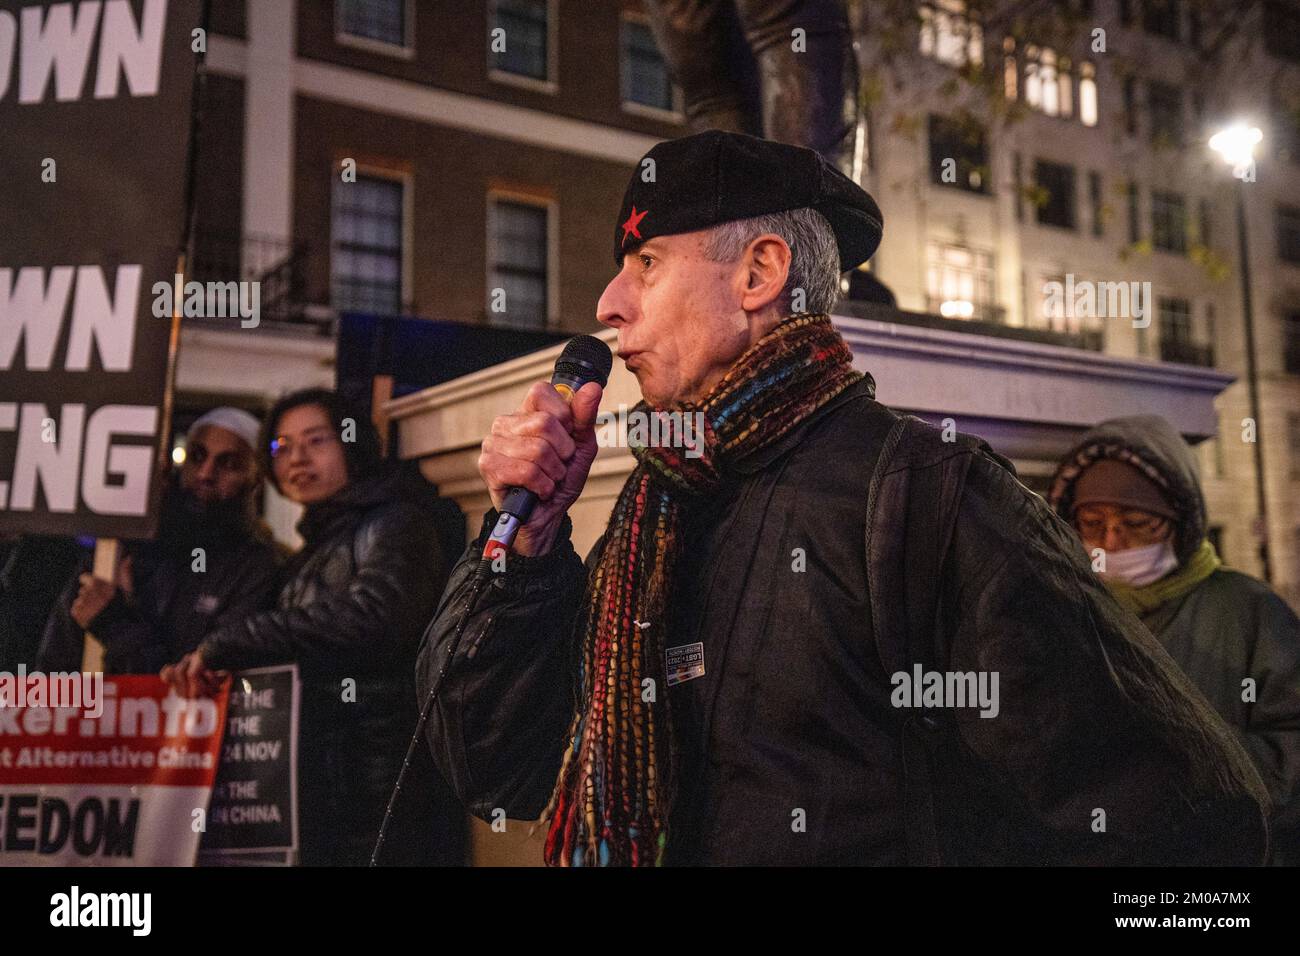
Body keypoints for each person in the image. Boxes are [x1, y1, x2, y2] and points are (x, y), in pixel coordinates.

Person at [418, 129, 1270, 866]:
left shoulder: (926, 496)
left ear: (760, 272)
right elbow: (500, 767)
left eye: (647, 262)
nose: (608, 304)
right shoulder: (658, 507)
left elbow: (1187, 828)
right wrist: (521, 547)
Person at [162, 389, 467, 867]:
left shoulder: (395, 521)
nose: (297, 459)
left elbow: (378, 617)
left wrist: (232, 641)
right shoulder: (317, 545)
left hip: (384, 790)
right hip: (333, 789)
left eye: (316, 441)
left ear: (353, 444)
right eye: (282, 447)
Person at [1050, 414, 1300, 865]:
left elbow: (1291, 747)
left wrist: (1185, 768)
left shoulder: (1252, 612)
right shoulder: (1067, 612)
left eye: (1137, 522)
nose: (1112, 539)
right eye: (1092, 521)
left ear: (1181, 522)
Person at [36, 408, 280, 675]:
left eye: (229, 464)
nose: (206, 474)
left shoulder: (257, 570)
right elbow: (55, 667)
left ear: (256, 479)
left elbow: (197, 682)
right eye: (197, 457)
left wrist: (114, 622)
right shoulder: (122, 551)